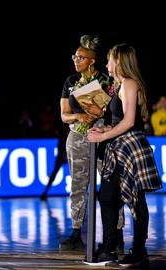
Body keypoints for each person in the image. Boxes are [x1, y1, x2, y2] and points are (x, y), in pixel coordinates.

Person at [87, 44, 163, 266]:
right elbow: (120, 120)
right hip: (122, 145)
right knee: (121, 199)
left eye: (109, 59)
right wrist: (104, 130)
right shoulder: (119, 84)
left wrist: (102, 137)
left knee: (125, 200)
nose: (106, 64)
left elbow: (129, 122)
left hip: (129, 147)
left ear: (119, 61)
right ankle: (128, 251)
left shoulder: (129, 83)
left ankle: (116, 250)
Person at [59, 35, 125, 251]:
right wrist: (79, 117)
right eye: (74, 56)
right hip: (78, 138)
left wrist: (101, 114)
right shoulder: (70, 82)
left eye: (80, 57)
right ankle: (76, 231)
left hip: (104, 138)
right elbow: (64, 115)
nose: (75, 60)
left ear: (92, 60)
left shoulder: (108, 82)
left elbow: (116, 112)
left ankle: (117, 232)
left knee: (110, 185)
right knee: (78, 186)